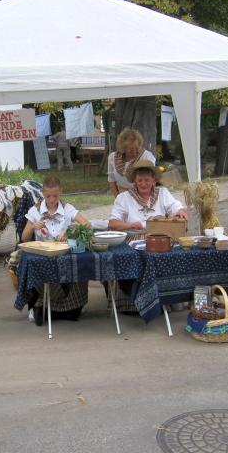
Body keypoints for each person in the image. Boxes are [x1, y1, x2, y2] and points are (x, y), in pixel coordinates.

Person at [107, 159, 188, 312]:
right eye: (140, 180)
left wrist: (181, 213)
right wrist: (130, 225)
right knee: (141, 260)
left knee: (176, 255)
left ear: (154, 180)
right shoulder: (124, 198)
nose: (143, 184)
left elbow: (178, 208)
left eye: (147, 180)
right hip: (134, 241)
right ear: (134, 181)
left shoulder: (162, 194)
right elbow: (113, 223)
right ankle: (142, 302)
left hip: (160, 241)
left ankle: (169, 298)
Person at [21, 175, 91, 324]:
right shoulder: (35, 211)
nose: (52, 199)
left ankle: (71, 305)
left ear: (61, 193)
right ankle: (38, 304)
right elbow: (24, 239)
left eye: (55, 196)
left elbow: (86, 224)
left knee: (79, 263)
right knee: (34, 266)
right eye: (48, 196)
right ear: (43, 194)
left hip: (64, 254)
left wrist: (70, 232)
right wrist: (33, 227)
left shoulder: (67, 209)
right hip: (44, 255)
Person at [107, 128, 156, 197]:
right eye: (131, 150)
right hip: (122, 194)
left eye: (137, 148)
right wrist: (118, 198)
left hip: (142, 193)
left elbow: (152, 179)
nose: (135, 152)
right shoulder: (112, 157)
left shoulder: (146, 156)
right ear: (123, 148)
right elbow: (111, 179)